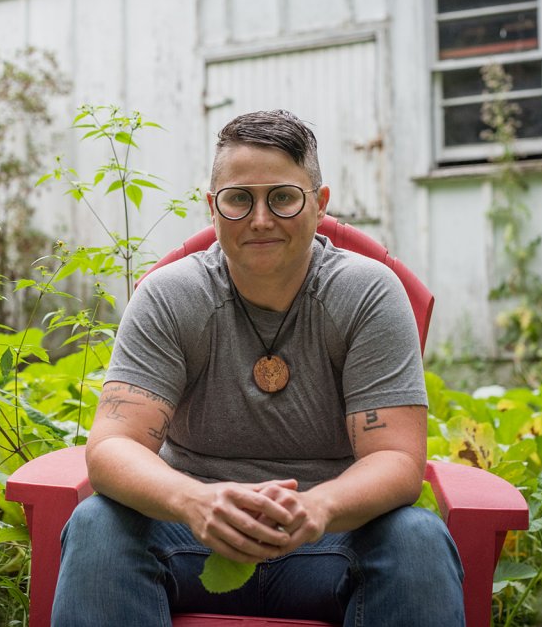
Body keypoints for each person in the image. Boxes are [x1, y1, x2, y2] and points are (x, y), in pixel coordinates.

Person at [51, 110, 465, 626]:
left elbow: (397, 459)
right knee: (97, 524)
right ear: (213, 207)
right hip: (189, 539)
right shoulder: (171, 295)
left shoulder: (368, 293)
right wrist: (195, 501)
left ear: (320, 203)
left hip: (332, 541)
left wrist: (318, 508)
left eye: (284, 198)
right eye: (239, 199)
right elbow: (113, 446)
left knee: (418, 537)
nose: (261, 220)